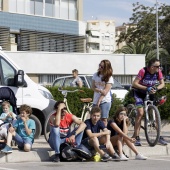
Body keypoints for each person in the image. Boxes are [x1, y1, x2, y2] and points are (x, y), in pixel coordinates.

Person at [132, 58, 167, 146]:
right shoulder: (143, 71)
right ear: (152, 67)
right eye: (157, 66)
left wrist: (156, 88)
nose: (159, 68)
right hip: (139, 92)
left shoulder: (158, 72)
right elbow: (134, 83)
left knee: (154, 113)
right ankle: (136, 137)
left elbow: (162, 83)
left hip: (150, 92)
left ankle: (158, 136)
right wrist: (146, 88)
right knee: (140, 113)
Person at [92, 60, 113, 126]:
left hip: (105, 101)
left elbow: (105, 92)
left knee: (104, 119)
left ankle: (104, 134)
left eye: (102, 66)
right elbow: (92, 87)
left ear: (106, 68)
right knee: (94, 119)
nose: (100, 67)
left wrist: (99, 101)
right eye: (99, 65)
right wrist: (100, 90)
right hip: (95, 100)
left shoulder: (109, 77)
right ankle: (95, 134)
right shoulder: (95, 75)